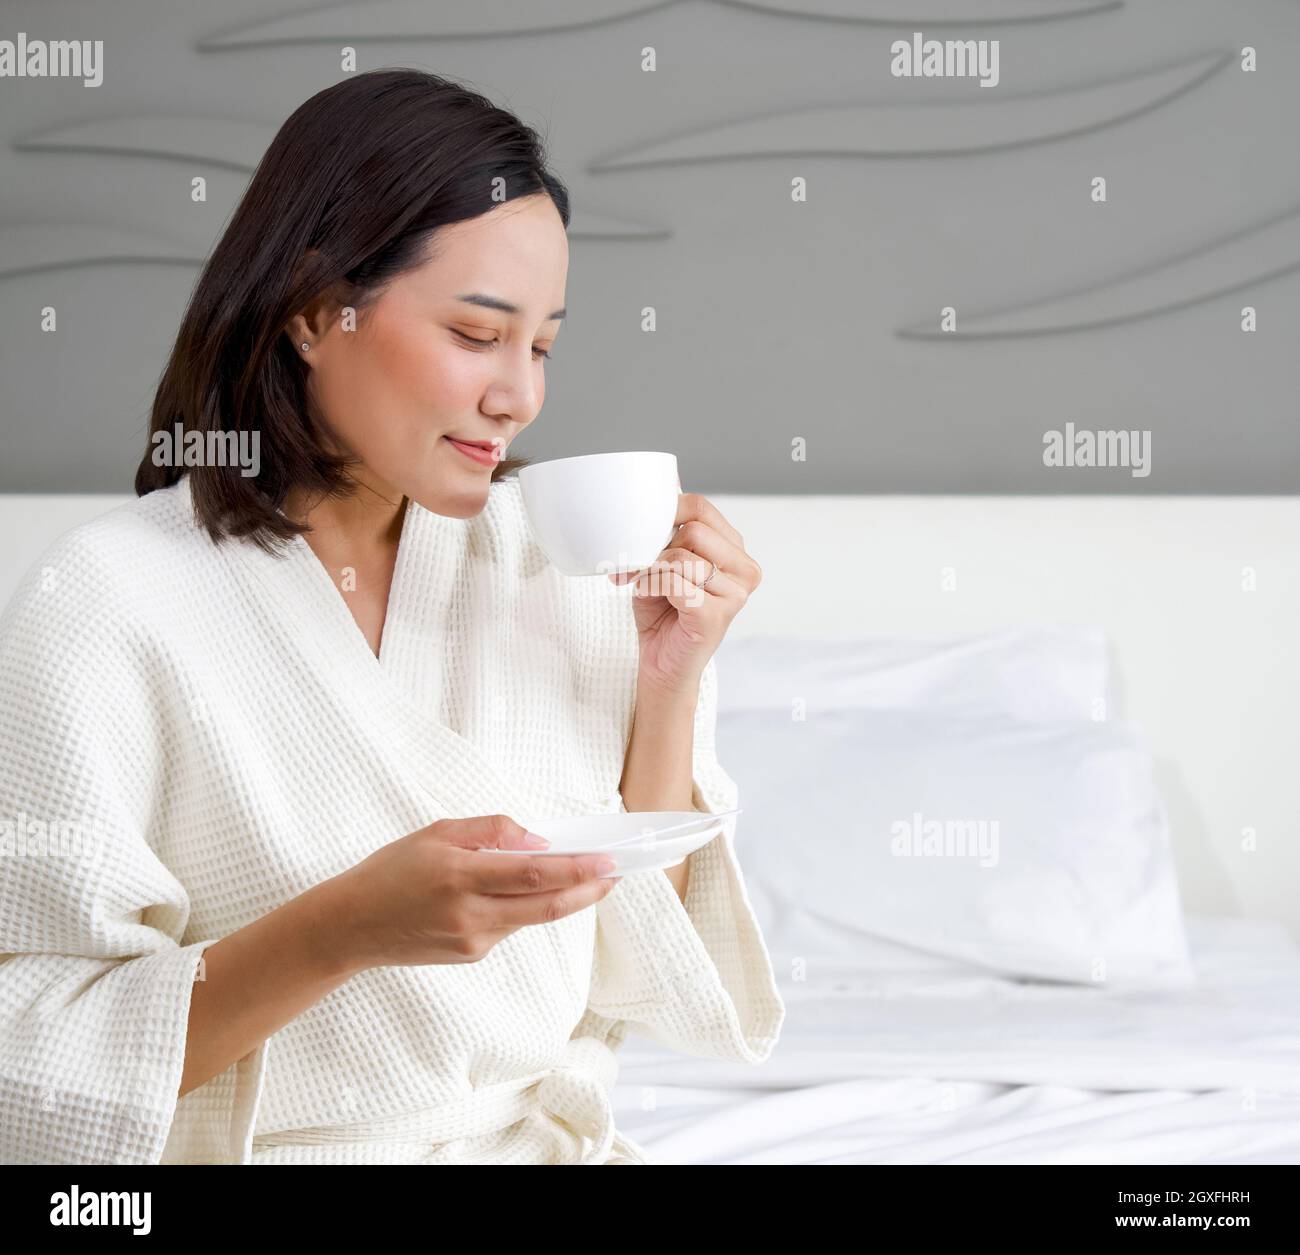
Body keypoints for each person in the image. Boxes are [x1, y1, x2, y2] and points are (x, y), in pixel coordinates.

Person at [0, 68, 784, 1165]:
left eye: (543, 344)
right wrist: (340, 931)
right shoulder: (111, 597)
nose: (521, 396)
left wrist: (672, 683)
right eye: (476, 332)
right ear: (319, 312)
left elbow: (640, 971)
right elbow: (28, 1060)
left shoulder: (550, 566)